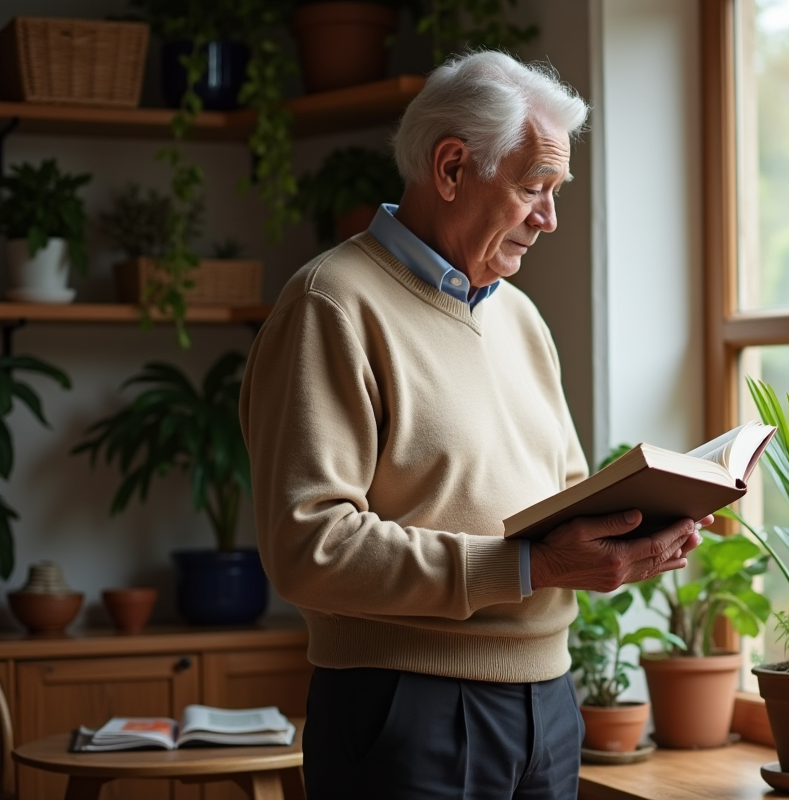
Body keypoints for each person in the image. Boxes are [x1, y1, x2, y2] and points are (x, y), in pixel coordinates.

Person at [239, 50, 705, 799]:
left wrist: (629, 538)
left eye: (556, 191)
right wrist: (532, 567)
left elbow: (564, 497)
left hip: (549, 705)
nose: (549, 218)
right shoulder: (332, 303)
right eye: (534, 187)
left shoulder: (520, 317)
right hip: (405, 706)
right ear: (451, 168)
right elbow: (308, 547)